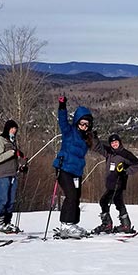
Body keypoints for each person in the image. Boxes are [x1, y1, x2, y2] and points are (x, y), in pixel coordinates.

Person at [52, 96, 94, 239]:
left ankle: (73, 223)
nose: (84, 126)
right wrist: (62, 105)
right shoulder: (69, 131)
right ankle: (65, 224)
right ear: (77, 122)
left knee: (76, 197)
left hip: (76, 172)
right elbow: (62, 120)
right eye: (82, 123)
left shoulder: (86, 138)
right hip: (64, 169)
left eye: (86, 125)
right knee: (70, 196)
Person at [92, 133, 138, 234]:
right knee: (117, 202)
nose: (114, 144)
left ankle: (109, 224)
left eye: (116, 142)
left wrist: (125, 171)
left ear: (119, 142)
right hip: (110, 182)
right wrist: (95, 137)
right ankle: (124, 224)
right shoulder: (109, 152)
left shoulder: (125, 154)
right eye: (112, 143)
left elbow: (136, 164)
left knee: (104, 201)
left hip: (119, 183)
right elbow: (98, 147)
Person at [0, 120, 28, 233]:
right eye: (12, 128)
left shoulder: (13, 142)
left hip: (13, 174)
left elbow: (15, 159)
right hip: (2, 175)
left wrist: (21, 166)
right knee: (3, 199)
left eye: (15, 129)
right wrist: (12, 152)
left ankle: (7, 222)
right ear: (7, 128)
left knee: (11, 201)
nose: (14, 131)